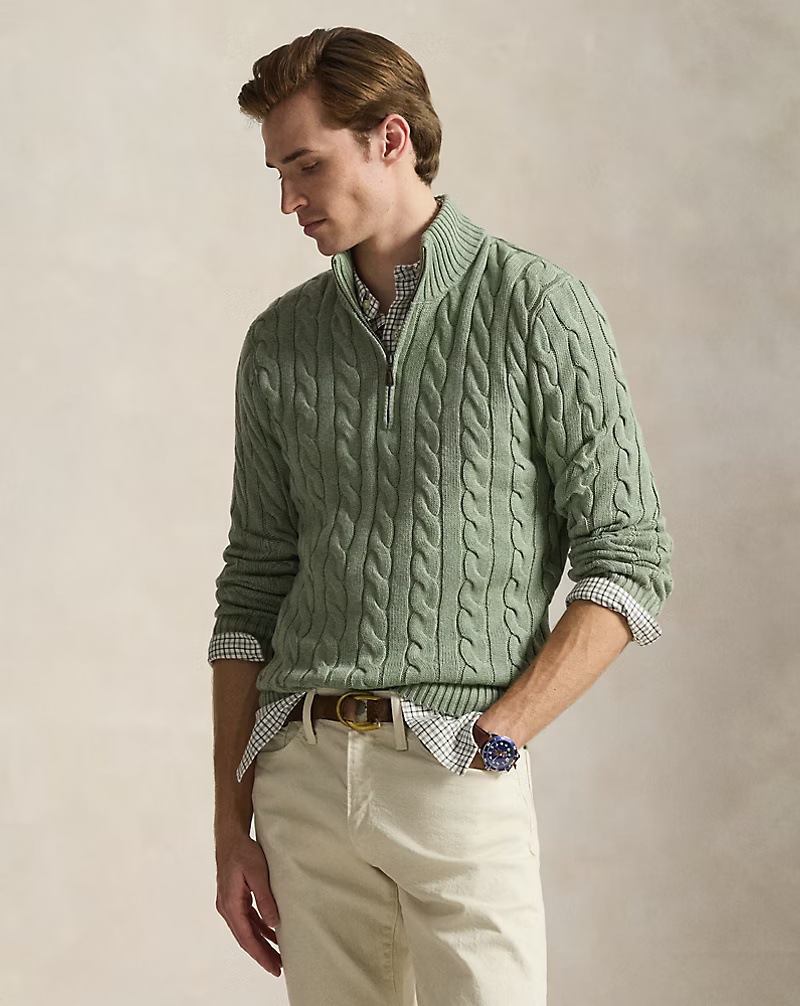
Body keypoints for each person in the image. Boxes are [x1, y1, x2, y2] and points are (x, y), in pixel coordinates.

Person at [209, 27, 674, 1006]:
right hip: (301, 779)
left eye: (306, 165)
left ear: (389, 139)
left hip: (454, 766)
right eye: (278, 173)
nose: (288, 200)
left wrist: (493, 740)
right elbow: (251, 590)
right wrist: (230, 825)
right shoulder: (280, 342)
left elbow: (628, 563)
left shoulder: (537, 308)